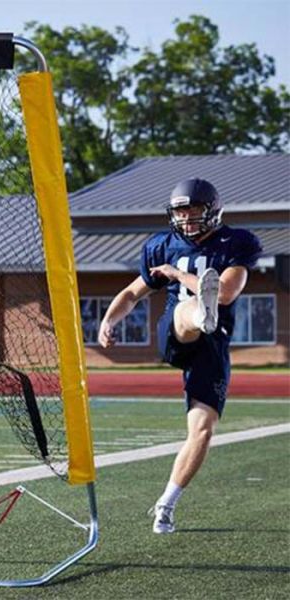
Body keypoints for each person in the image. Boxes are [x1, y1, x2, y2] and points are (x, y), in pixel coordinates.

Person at [98, 178, 262, 534]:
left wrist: (175, 273)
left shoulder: (236, 242)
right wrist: (110, 319)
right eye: (181, 211)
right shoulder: (162, 245)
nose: (187, 218)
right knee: (190, 311)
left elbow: (228, 292)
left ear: (212, 210)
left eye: (194, 210)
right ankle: (197, 313)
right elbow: (132, 292)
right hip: (176, 332)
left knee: (202, 430)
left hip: (212, 345)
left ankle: (166, 505)